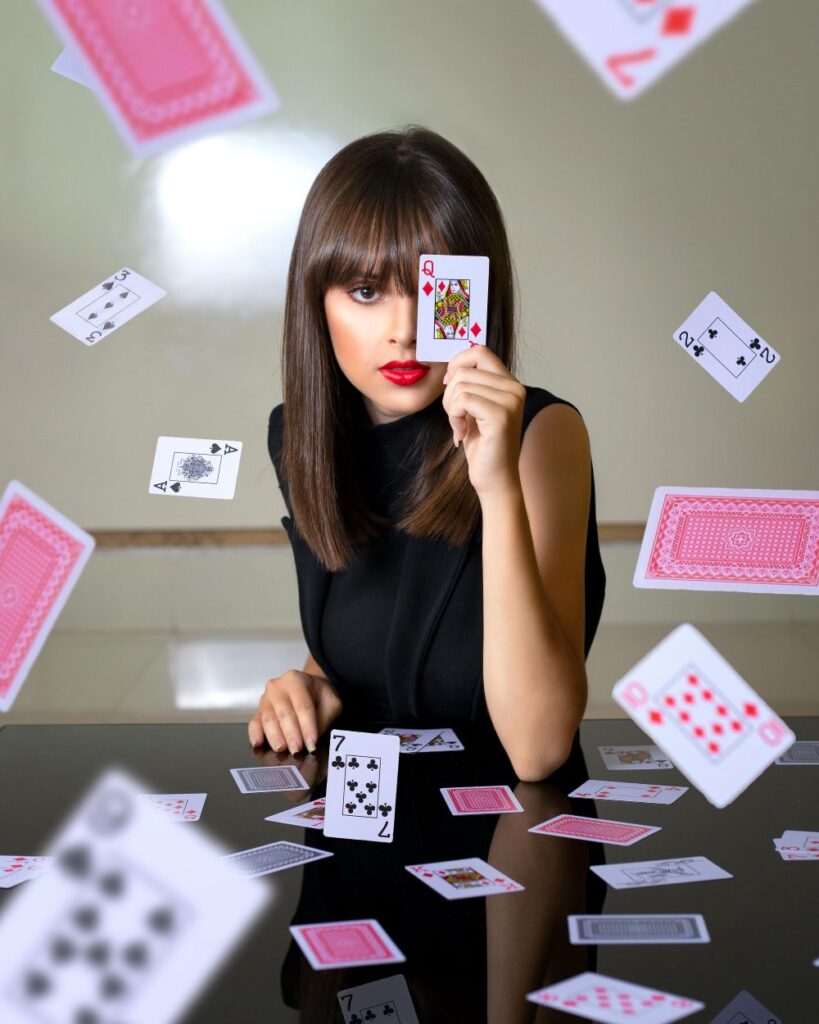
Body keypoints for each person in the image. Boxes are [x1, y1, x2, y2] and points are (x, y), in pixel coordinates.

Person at [248, 125, 605, 782]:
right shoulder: (299, 438)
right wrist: (310, 686)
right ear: (315, 303)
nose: (405, 330)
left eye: (434, 290)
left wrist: (496, 484)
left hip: (506, 840)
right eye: (365, 291)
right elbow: (369, 638)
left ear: (479, 292)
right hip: (356, 848)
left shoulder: (541, 434)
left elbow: (537, 748)